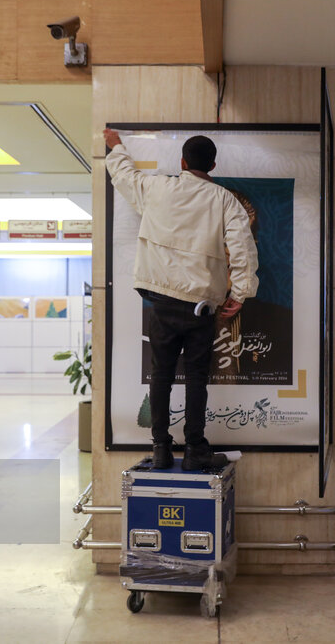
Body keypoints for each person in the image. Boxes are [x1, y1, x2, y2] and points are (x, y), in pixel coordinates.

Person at [104, 128, 258, 471]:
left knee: (161, 377)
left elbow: (124, 175)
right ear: (213, 165)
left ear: (183, 162)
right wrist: (241, 292)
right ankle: (194, 450)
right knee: (197, 380)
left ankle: (160, 448)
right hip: (201, 308)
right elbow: (243, 248)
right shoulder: (224, 201)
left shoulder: (157, 188)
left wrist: (116, 146)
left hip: (160, 304)